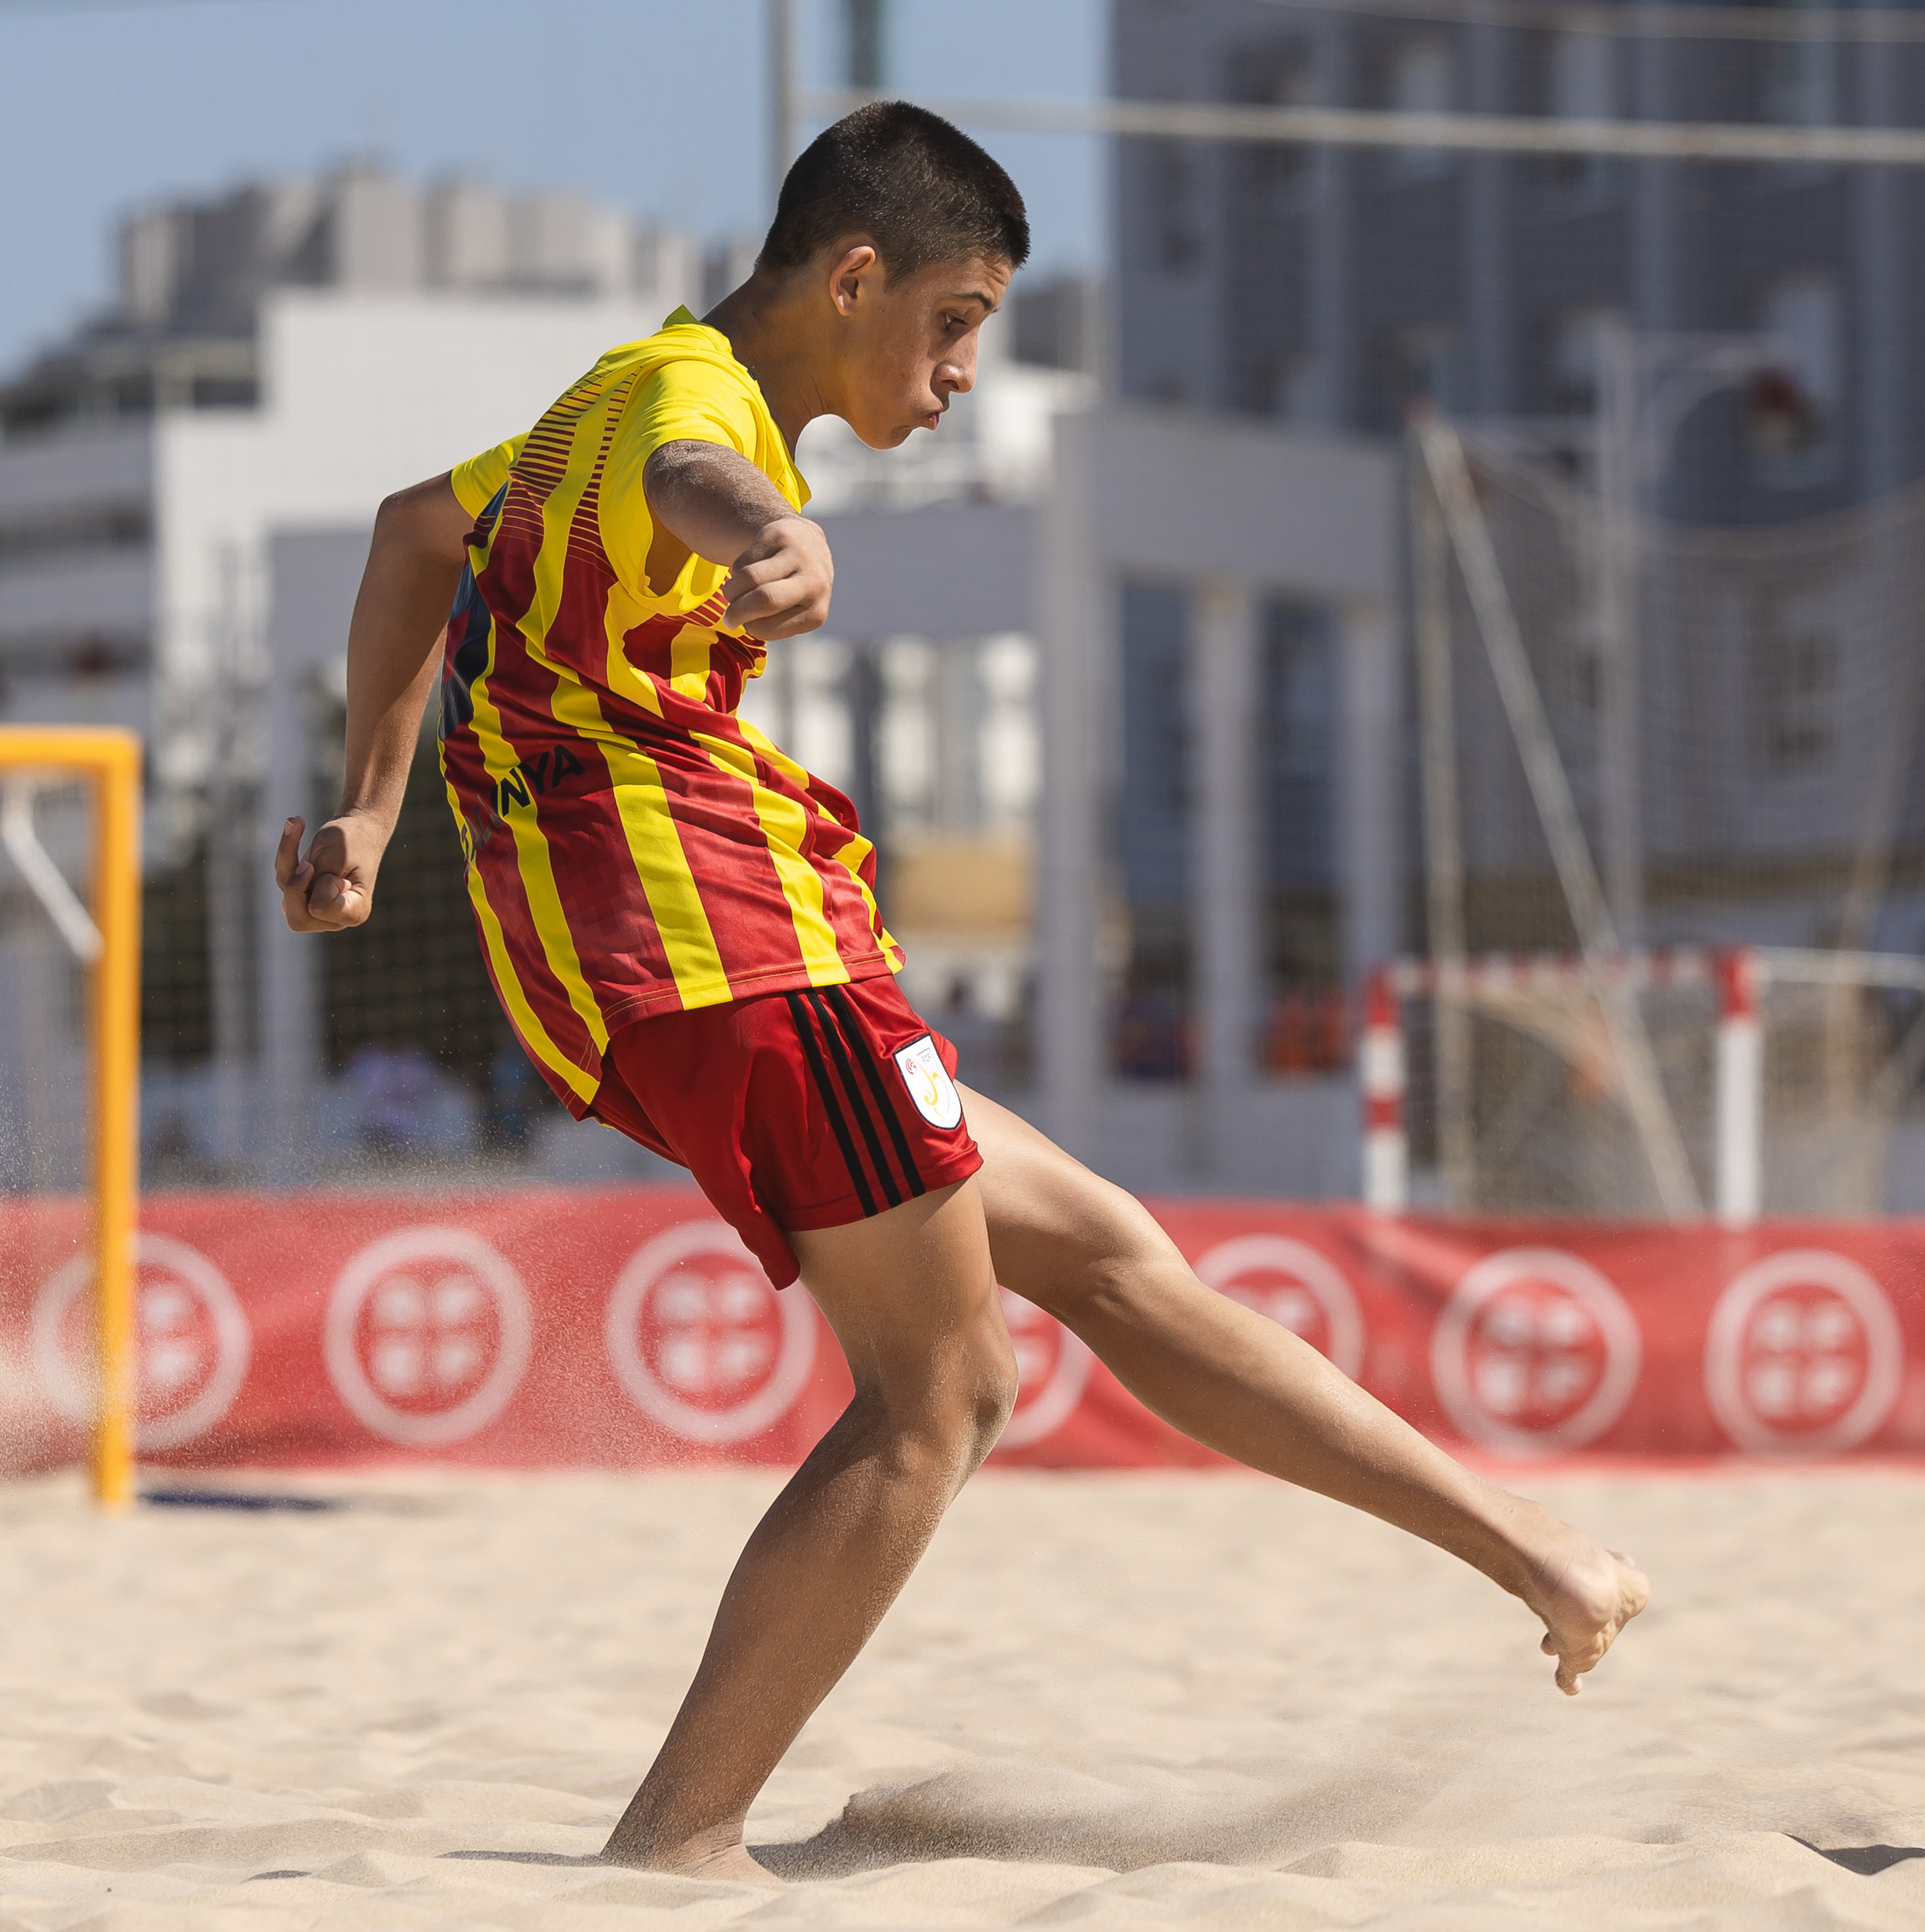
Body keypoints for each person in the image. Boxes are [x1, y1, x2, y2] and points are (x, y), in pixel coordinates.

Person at [274, 102, 1645, 1885]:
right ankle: (676, 1842)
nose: (964, 372)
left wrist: (372, 806)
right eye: (956, 318)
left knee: (1107, 1250)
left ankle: (1534, 1554)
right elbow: (698, 478)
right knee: (942, 1391)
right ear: (853, 277)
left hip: (688, 965)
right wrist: (778, 535)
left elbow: (411, 533)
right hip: (731, 957)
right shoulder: (690, 407)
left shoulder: (605, 397)